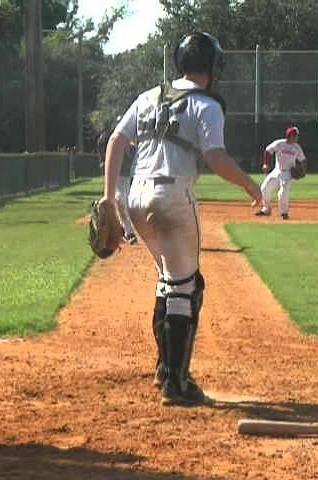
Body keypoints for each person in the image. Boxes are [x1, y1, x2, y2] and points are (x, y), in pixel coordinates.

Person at [102, 32, 262, 406]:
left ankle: (165, 369)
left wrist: (109, 199)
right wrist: (251, 186)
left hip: (136, 196)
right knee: (187, 286)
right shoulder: (206, 105)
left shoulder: (148, 96)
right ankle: (177, 383)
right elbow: (217, 157)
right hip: (173, 196)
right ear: (212, 66)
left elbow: (115, 142)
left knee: (169, 279)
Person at [98, 121, 138, 244]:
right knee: (121, 201)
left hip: (128, 178)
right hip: (117, 177)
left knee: (125, 202)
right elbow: (104, 147)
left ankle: (123, 229)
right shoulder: (114, 141)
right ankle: (129, 232)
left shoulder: (131, 147)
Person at [255, 127, 307, 220]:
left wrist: (303, 171)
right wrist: (266, 163)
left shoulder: (297, 147)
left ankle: (284, 213)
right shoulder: (279, 144)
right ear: (291, 136)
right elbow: (268, 151)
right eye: (296, 136)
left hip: (288, 173)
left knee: (283, 192)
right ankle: (266, 209)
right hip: (276, 171)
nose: (297, 138)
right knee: (264, 188)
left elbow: (303, 160)